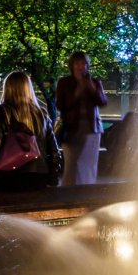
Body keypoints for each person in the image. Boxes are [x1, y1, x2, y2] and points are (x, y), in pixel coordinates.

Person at [0, 70, 62, 192]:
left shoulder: (3, 112)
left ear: (8, 88)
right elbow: (54, 151)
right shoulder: (41, 113)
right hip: (39, 175)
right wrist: (53, 179)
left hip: (9, 176)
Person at [54, 51, 109, 186]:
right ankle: (68, 195)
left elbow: (102, 102)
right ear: (72, 65)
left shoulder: (94, 82)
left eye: (84, 63)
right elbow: (60, 105)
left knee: (88, 165)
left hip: (92, 129)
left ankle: (86, 193)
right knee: (71, 165)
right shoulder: (64, 82)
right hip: (71, 129)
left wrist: (92, 88)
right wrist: (77, 93)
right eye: (77, 63)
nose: (81, 67)